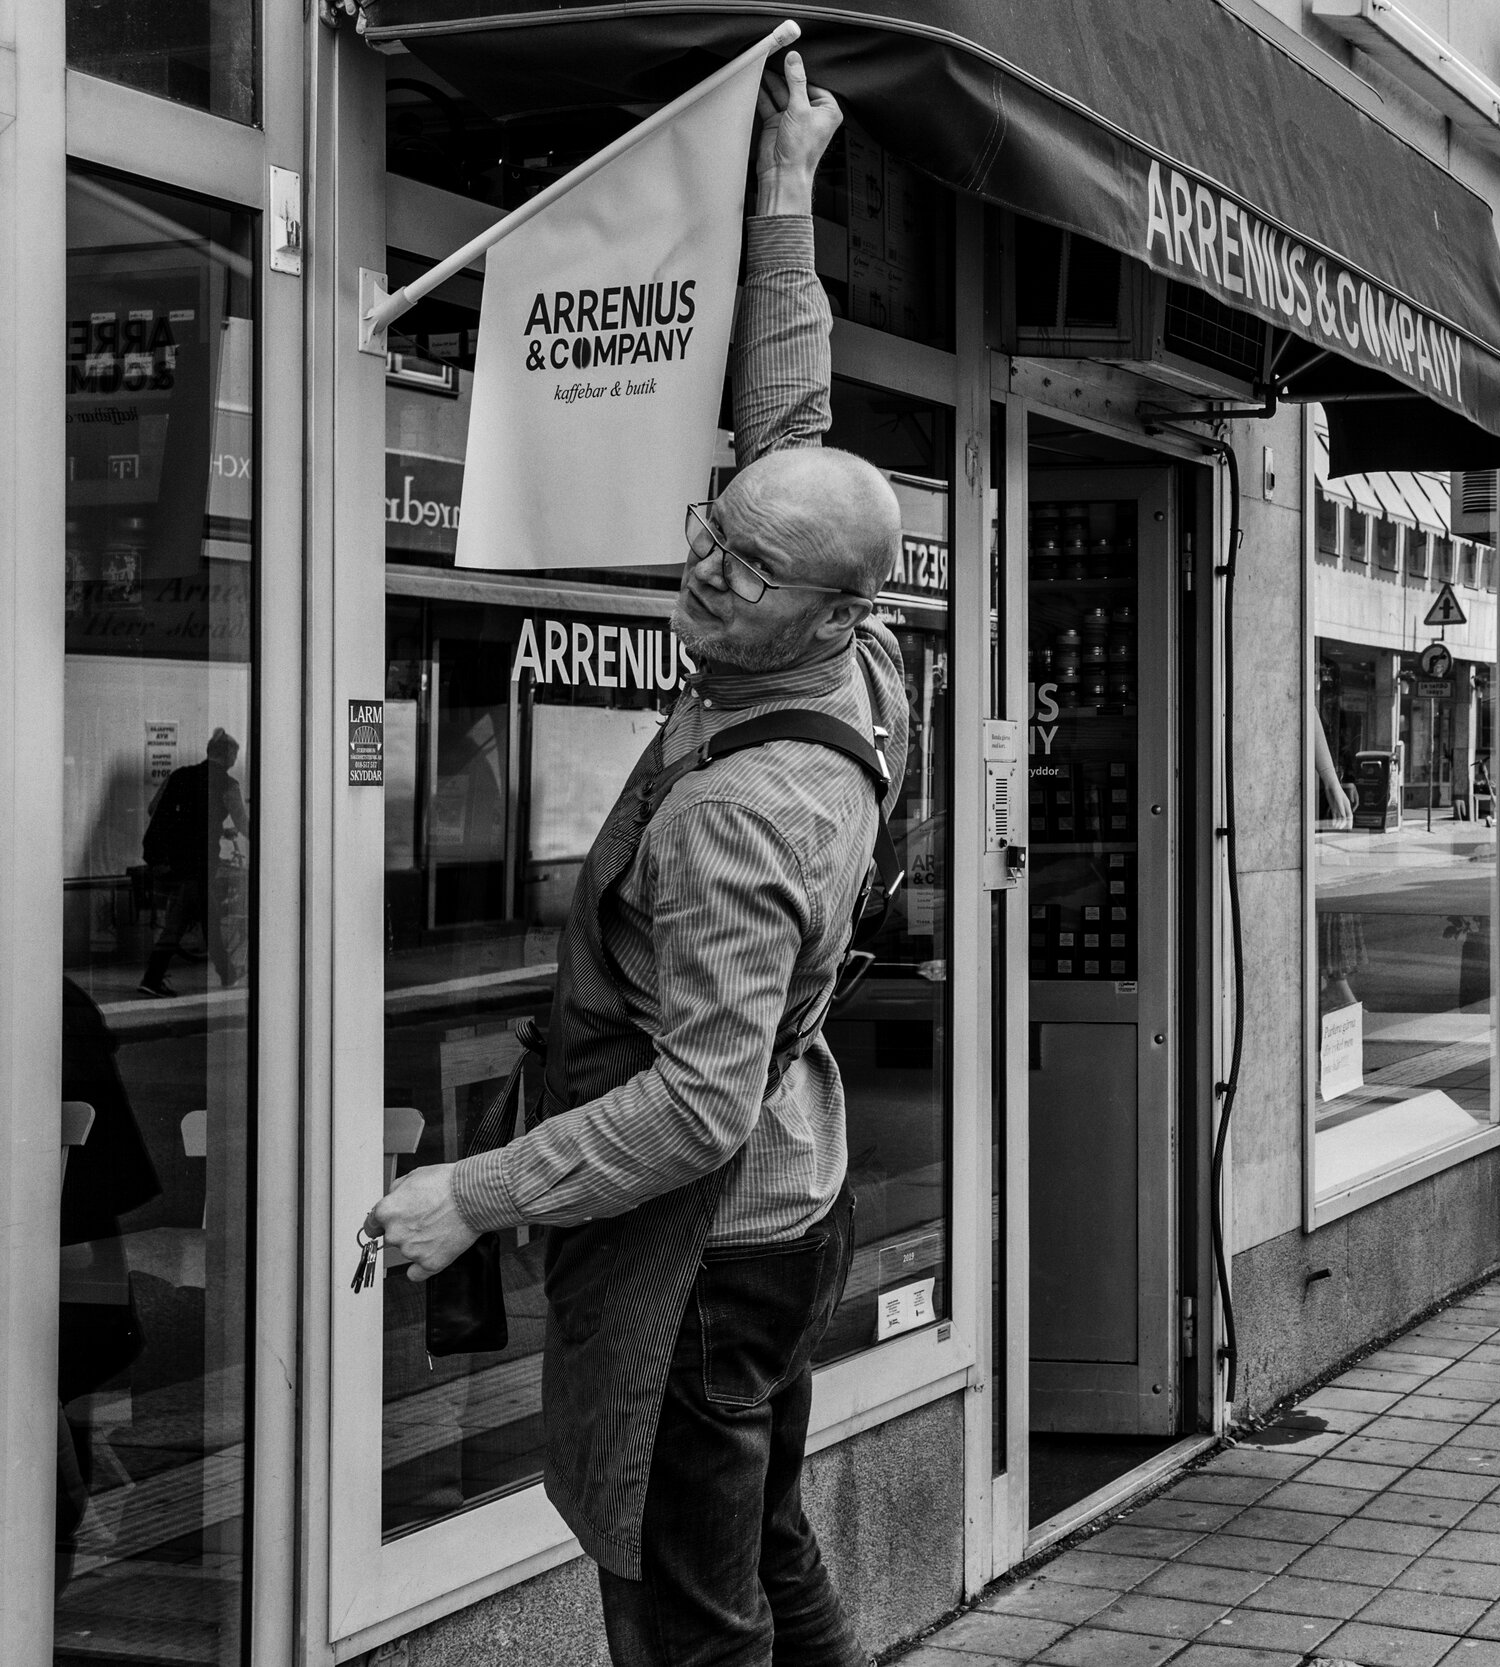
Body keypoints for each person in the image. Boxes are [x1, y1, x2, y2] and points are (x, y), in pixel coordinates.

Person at [366, 55, 901, 1667]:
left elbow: (695, 1103)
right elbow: (793, 430)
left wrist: (473, 1190)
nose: (700, 574)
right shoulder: (839, 649)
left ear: (831, 613)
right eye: (710, 536)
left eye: (743, 573)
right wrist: (789, 188)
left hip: (716, 1245)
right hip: (796, 1206)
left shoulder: (746, 813)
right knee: (764, 1544)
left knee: (681, 1607)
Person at [136, 729, 250, 996]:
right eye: (235, 754)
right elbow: (244, 824)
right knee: (180, 922)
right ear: (229, 755)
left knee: (208, 914)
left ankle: (227, 972)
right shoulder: (228, 785)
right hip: (198, 863)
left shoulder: (179, 775)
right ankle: (151, 979)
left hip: (170, 859)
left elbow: (155, 809)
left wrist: (213, 828)